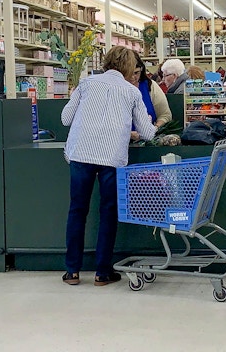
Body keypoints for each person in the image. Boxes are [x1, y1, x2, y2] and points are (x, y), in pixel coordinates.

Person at [60, 46, 156, 286]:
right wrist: (140, 130)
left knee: (77, 211)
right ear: (128, 67)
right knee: (108, 213)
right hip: (111, 159)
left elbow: (65, 119)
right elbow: (147, 133)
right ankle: (102, 273)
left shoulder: (86, 83)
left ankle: (72, 271)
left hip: (81, 154)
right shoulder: (131, 92)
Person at [130, 51, 172, 135]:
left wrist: (155, 128)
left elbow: (165, 115)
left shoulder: (150, 86)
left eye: (136, 73)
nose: (132, 77)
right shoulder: (114, 89)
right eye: (129, 73)